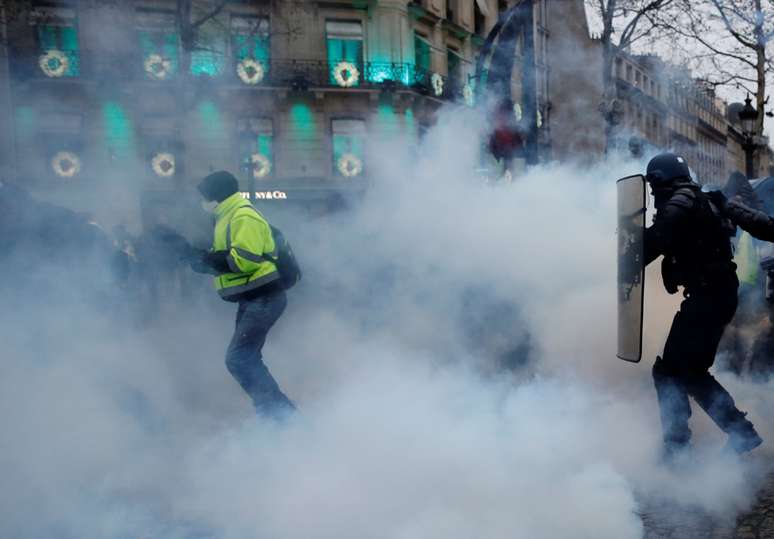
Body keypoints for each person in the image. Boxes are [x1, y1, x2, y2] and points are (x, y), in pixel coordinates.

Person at [643, 153, 762, 458]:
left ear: (660, 180)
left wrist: (631, 247)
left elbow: (658, 238)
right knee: (689, 371)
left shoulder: (681, 200)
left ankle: (678, 447)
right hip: (716, 294)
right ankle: (737, 433)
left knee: (671, 371)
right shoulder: (704, 199)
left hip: (708, 296)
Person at [190, 170, 294, 418]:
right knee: (245, 357)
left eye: (205, 195)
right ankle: (273, 412)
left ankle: (280, 416)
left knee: (239, 358)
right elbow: (229, 259)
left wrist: (207, 259)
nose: (202, 202)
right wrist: (200, 261)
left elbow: (244, 261)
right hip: (253, 296)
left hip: (264, 296)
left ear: (216, 195)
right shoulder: (227, 215)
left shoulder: (242, 215)